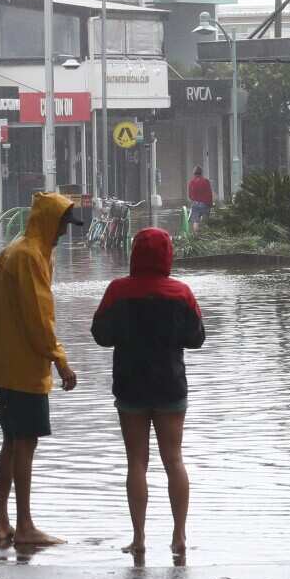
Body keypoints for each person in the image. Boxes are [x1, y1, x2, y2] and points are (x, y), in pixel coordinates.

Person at [0, 192, 82, 548]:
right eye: (63, 225)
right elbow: (40, 318)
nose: (64, 234)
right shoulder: (30, 256)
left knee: (11, 441)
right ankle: (24, 525)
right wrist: (60, 360)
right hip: (23, 367)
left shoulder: (21, 250)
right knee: (25, 442)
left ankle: (3, 522)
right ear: (50, 223)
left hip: (6, 363)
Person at [91, 228, 205, 558]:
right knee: (174, 460)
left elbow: (100, 334)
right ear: (167, 255)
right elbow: (197, 338)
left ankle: (139, 538)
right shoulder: (181, 293)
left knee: (136, 463)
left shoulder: (117, 291)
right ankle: (179, 536)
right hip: (170, 386)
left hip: (130, 386)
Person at [187, 165, 214, 234]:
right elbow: (209, 193)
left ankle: (196, 235)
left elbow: (190, 196)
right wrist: (210, 204)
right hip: (205, 203)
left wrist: (194, 200)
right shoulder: (206, 181)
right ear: (201, 173)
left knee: (196, 221)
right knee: (205, 221)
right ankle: (205, 235)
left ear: (194, 173)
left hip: (195, 204)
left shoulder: (191, 182)